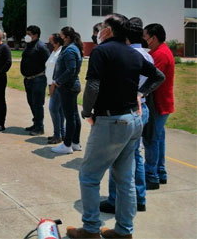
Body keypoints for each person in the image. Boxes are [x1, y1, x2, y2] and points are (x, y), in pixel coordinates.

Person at [66, 13, 165, 239]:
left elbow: (93, 85)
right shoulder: (134, 53)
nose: (99, 30)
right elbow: (158, 77)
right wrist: (141, 94)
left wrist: (87, 111)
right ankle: (124, 231)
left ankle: (90, 229)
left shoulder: (101, 51)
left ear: (108, 30)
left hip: (111, 121)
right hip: (132, 120)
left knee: (89, 176)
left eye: (102, 26)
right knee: (125, 179)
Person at [100, 17, 153, 214]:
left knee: (118, 157)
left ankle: (115, 200)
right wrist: (142, 94)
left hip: (126, 109)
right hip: (142, 106)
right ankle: (139, 197)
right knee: (135, 156)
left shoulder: (127, 54)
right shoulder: (146, 55)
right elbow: (156, 78)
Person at [143, 23, 175, 190]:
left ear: (153, 38)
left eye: (145, 37)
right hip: (161, 103)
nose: (144, 40)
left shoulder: (160, 54)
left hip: (158, 104)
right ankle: (160, 172)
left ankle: (152, 176)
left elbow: (153, 79)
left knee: (151, 140)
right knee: (158, 139)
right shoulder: (159, 51)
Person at [50, 27, 83, 154]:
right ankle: (75, 143)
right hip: (71, 86)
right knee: (74, 115)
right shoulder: (73, 48)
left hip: (68, 87)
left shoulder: (70, 50)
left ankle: (67, 144)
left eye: (61, 36)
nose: (60, 39)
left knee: (70, 117)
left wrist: (57, 82)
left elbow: (71, 70)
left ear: (67, 37)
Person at [21, 25, 50, 136]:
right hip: (28, 79)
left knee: (37, 103)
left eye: (29, 34)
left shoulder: (41, 46)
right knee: (31, 102)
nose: (26, 36)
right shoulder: (29, 45)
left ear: (36, 35)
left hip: (38, 79)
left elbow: (48, 62)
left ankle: (39, 127)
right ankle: (36, 123)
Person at [45, 33, 65, 144]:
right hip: (51, 84)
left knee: (53, 109)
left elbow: (59, 70)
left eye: (51, 41)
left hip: (56, 85)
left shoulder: (61, 52)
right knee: (59, 111)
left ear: (56, 42)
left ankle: (58, 135)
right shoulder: (54, 52)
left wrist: (53, 84)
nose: (49, 43)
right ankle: (61, 134)